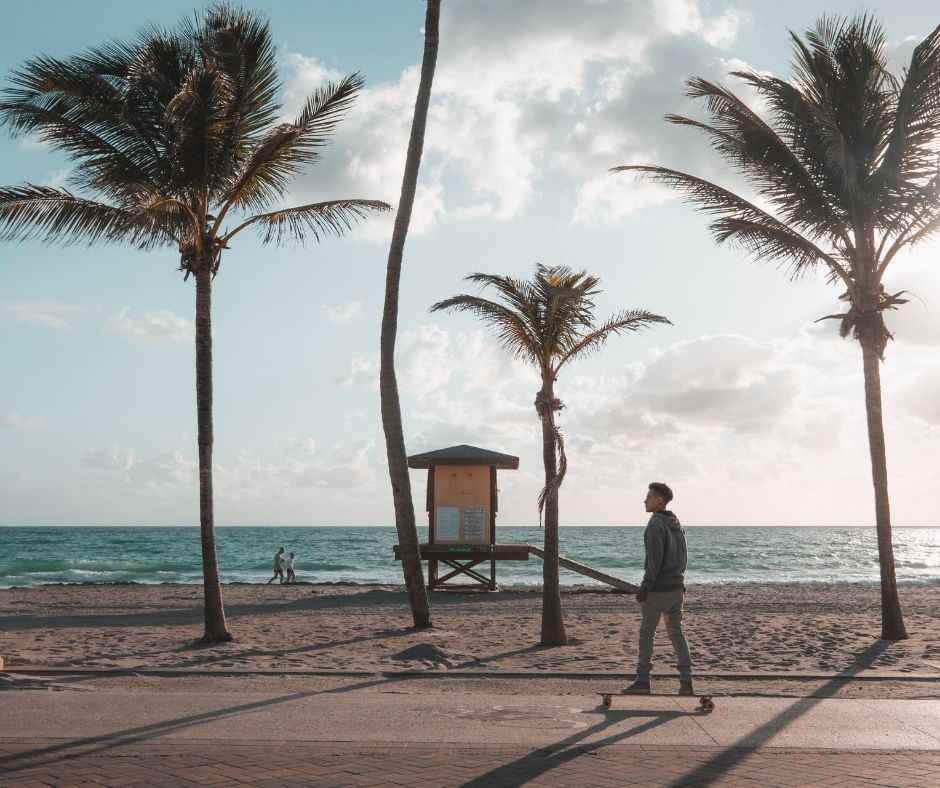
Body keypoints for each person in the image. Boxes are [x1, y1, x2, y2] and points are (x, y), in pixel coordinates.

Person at [622, 482, 694, 696]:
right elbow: (684, 557)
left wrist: (645, 588)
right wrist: (679, 581)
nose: (645, 500)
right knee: (676, 633)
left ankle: (643, 680)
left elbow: (654, 562)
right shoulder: (676, 522)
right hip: (676, 587)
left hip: (659, 590)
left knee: (647, 632)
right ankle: (686, 681)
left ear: (659, 500)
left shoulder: (655, 523)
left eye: (649, 497)